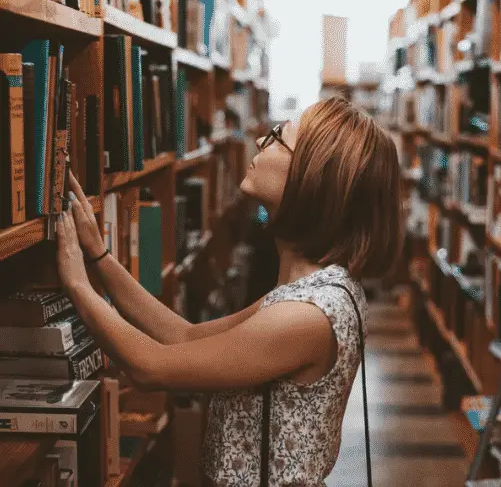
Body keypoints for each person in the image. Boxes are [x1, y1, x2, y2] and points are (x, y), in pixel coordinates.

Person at [57, 95, 403, 487]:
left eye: (278, 137)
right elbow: (182, 335)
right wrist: (100, 257)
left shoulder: (307, 314)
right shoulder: (312, 290)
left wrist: (76, 285)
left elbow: (150, 367)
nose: (259, 143)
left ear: (312, 177)